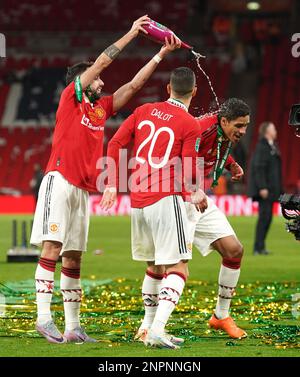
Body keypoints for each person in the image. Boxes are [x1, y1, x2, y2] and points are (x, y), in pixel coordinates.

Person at [30, 15, 181, 344]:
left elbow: (134, 87)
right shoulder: (72, 97)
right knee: (52, 247)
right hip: (60, 179)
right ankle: (44, 318)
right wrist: (131, 34)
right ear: (84, 81)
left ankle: (72, 327)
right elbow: (101, 62)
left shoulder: (100, 109)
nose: (103, 82)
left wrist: (159, 56)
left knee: (73, 256)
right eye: (97, 80)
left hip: (83, 189)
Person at [101, 67, 208, 349]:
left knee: (154, 266)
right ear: (194, 92)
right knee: (179, 267)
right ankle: (159, 329)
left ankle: (147, 327)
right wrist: (194, 192)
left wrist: (112, 184)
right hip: (165, 197)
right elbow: (187, 167)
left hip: (137, 200)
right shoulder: (190, 123)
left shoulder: (144, 109)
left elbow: (114, 142)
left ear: (168, 89)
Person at [184, 98, 250, 339]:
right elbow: (179, 156)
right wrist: (192, 187)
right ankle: (150, 326)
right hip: (178, 197)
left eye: (246, 126)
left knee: (233, 250)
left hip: (198, 198)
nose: (243, 131)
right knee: (169, 265)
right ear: (224, 121)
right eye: (239, 125)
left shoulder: (223, 131)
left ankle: (221, 316)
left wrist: (230, 164)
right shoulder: (201, 128)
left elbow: (216, 149)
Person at [248, 122, 282, 255]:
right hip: (265, 189)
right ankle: (258, 248)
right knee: (264, 217)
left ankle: (261, 247)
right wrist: (262, 187)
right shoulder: (262, 147)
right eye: (273, 128)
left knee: (268, 218)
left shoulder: (272, 146)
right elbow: (259, 168)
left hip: (272, 189)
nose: (275, 131)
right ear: (267, 131)